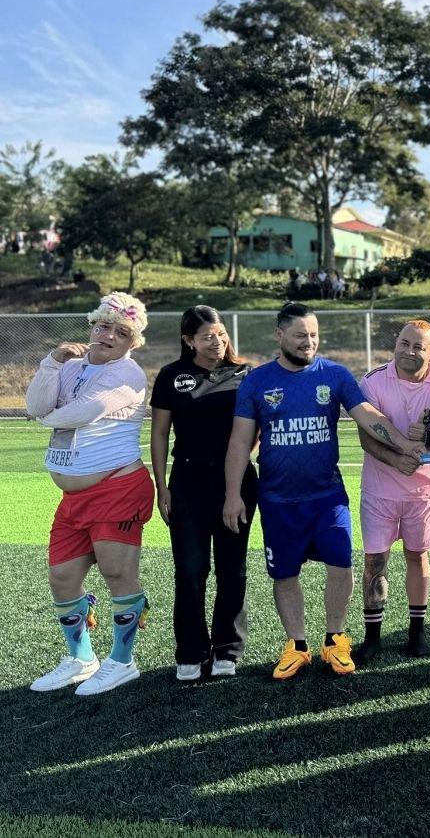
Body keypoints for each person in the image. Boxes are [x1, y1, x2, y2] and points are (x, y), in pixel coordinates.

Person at [222, 303, 423, 680]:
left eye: (313, 335)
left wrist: (404, 446)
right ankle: (297, 645)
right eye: (300, 335)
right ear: (279, 335)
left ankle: (335, 639)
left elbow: (369, 417)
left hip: (327, 498)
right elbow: (239, 442)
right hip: (278, 501)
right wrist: (233, 494)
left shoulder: (333, 374)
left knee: (341, 565)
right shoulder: (257, 381)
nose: (308, 342)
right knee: (284, 575)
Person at [25, 293, 154, 695]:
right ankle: (81, 658)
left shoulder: (129, 374)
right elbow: (36, 402)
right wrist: (51, 361)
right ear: (91, 328)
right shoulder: (70, 367)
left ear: (133, 341)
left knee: (118, 575)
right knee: (63, 578)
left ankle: (122, 661)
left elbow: (81, 412)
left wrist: (43, 416)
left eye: (121, 331)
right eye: (102, 326)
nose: (108, 335)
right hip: (74, 499)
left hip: (117, 489)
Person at [150, 306, 256, 682]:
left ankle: (227, 649)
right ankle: (191, 651)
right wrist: (162, 487)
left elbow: (255, 430)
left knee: (233, 568)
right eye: (208, 336)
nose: (217, 342)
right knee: (191, 570)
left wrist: (238, 477)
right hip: (188, 481)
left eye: (221, 334)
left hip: (237, 483)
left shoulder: (245, 374)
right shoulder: (171, 376)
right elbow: (160, 434)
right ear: (189, 340)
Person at [355, 321, 430, 663]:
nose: (409, 351)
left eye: (418, 347)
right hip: (380, 490)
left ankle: (416, 631)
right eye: (404, 343)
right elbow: (366, 436)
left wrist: (429, 442)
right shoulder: (374, 380)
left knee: (417, 556)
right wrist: (396, 458)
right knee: (375, 560)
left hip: (423, 491)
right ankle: (373, 636)